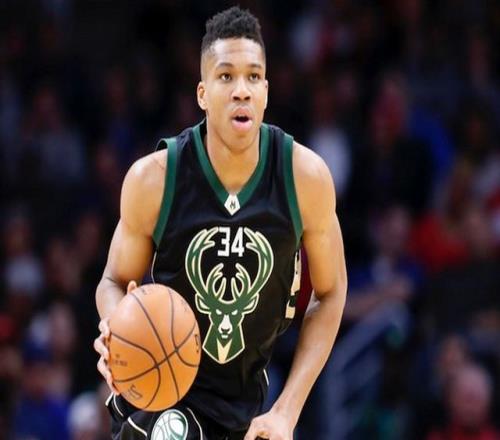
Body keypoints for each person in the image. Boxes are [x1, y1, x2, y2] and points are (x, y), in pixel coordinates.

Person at [93, 6, 347, 440]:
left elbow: (331, 291)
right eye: (226, 77)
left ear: (265, 91)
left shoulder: (305, 179)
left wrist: (287, 411)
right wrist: (122, 332)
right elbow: (113, 280)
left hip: (244, 407)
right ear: (203, 93)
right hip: (161, 401)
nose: (241, 91)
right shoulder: (154, 179)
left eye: (253, 77)